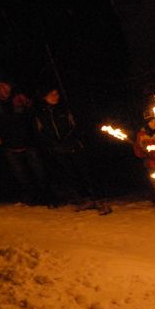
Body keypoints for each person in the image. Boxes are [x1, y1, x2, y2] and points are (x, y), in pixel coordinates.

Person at [33, 84, 111, 214]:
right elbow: (40, 132)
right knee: (72, 175)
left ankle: (101, 200)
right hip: (58, 149)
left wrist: (68, 140)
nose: (55, 97)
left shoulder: (65, 109)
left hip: (74, 146)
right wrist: (54, 144)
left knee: (87, 172)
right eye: (52, 94)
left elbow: (76, 126)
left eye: (56, 94)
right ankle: (86, 199)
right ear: (44, 97)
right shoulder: (41, 113)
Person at [0, 78, 57, 206]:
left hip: (29, 144)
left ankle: (49, 199)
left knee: (40, 173)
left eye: (6, 86)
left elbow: (35, 111)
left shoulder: (20, 99)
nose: (3, 89)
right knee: (21, 176)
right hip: (10, 147)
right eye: (0, 87)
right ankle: (32, 200)